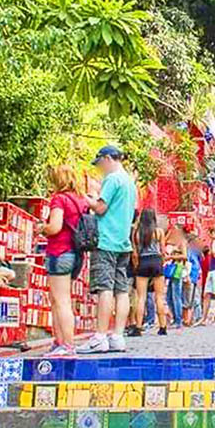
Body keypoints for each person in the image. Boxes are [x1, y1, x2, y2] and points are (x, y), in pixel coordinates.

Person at [78, 145, 137, 353]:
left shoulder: (112, 179)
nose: (100, 167)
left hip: (106, 240)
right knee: (121, 290)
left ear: (108, 158)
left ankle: (100, 336)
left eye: (101, 162)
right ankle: (117, 336)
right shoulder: (130, 182)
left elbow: (101, 208)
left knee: (104, 289)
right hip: (123, 242)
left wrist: (87, 199)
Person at [38, 164, 88, 354]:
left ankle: (66, 344)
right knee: (59, 299)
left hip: (59, 252)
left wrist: (43, 228)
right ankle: (59, 342)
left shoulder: (59, 199)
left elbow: (55, 227)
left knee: (61, 301)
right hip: (74, 254)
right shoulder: (80, 200)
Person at [130, 208, 169, 336]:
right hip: (156, 261)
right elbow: (163, 251)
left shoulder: (136, 233)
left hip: (143, 262)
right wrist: (161, 263)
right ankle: (163, 326)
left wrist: (136, 267)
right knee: (159, 296)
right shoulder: (159, 232)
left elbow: (134, 254)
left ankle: (138, 326)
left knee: (141, 297)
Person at [164, 221, 188, 331]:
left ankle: (178, 320)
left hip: (177, 269)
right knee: (169, 296)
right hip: (171, 268)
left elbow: (185, 256)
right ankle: (175, 318)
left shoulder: (182, 242)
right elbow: (163, 242)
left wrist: (172, 256)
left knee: (176, 294)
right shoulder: (172, 240)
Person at [185, 233, 204, 326]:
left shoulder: (192, 251)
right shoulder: (192, 251)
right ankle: (193, 318)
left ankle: (197, 317)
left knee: (193, 298)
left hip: (193, 276)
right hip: (193, 275)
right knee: (192, 298)